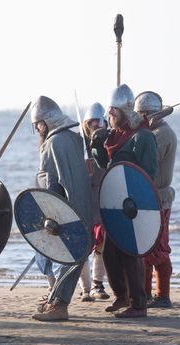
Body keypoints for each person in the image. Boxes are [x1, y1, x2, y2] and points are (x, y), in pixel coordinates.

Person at [90, 84, 158, 318]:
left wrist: (137, 203)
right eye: (109, 112)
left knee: (131, 255)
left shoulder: (143, 137)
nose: (109, 116)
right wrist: (97, 146)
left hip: (134, 207)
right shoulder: (116, 136)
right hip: (117, 204)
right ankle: (121, 296)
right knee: (110, 253)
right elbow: (105, 167)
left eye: (113, 112)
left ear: (125, 111)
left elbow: (148, 174)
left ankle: (138, 304)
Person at [30, 95, 93, 321]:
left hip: (64, 210)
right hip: (75, 208)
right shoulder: (72, 139)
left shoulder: (54, 143)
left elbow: (54, 183)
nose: (37, 128)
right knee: (66, 258)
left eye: (37, 124)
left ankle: (59, 306)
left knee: (65, 258)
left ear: (45, 122)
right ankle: (54, 301)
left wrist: (53, 214)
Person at [135, 91, 177, 308]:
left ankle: (162, 296)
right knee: (145, 247)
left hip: (158, 197)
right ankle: (145, 294)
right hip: (149, 197)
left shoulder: (161, 134)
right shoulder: (155, 132)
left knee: (157, 249)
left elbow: (144, 160)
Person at [77, 102, 110, 302]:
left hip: (102, 199)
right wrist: (83, 170)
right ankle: (85, 288)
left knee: (102, 244)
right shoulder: (77, 144)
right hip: (82, 199)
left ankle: (98, 284)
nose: (97, 124)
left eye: (100, 121)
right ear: (87, 123)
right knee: (82, 245)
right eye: (93, 121)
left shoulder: (109, 142)